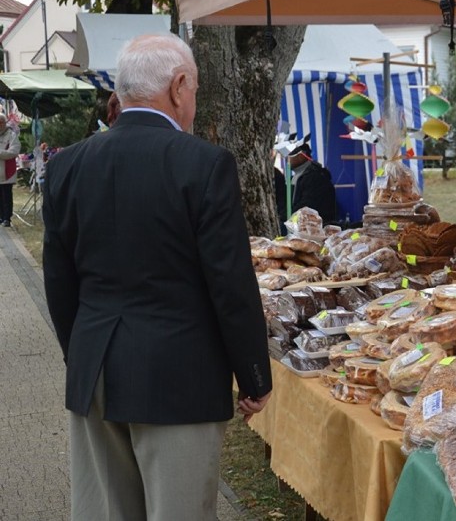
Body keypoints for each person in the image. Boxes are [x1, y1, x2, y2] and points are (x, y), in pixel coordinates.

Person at [42, 33, 272, 521]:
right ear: (179, 85)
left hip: (95, 367)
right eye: (194, 90)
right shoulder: (205, 165)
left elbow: (59, 283)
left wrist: (80, 353)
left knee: (106, 511)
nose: (193, 102)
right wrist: (254, 375)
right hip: (178, 375)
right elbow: (230, 284)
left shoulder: (67, 166)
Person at [274, 133, 337, 225]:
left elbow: (306, 206)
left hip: (314, 229)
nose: (286, 159)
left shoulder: (316, 177)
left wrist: (284, 218)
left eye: (289, 155)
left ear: (301, 155)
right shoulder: (294, 177)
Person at [0, 113, 21, 227]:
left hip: (7, 170)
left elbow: (14, 151)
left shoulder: (11, 135)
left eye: (1, 122)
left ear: (4, 123)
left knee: (6, 195)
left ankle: (7, 218)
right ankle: (1, 216)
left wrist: (0, 154)